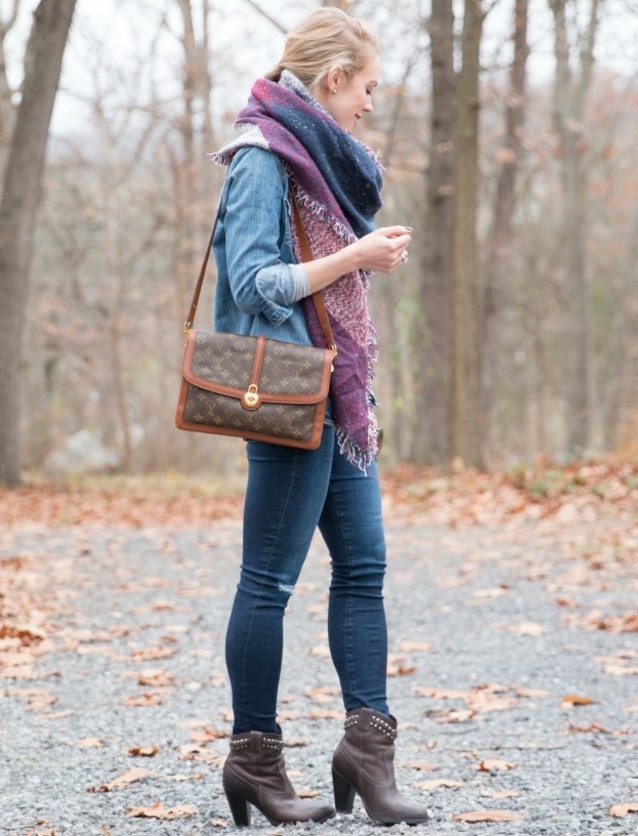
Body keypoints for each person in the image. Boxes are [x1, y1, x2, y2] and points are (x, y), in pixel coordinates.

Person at [210, 7, 429, 828]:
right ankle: (254, 760)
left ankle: (367, 758)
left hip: (341, 402)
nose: (372, 102)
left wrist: (355, 259)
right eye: (367, 87)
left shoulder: (321, 158)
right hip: (289, 395)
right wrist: (355, 257)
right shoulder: (263, 153)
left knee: (365, 569)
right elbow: (253, 283)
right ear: (333, 80)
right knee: (268, 582)